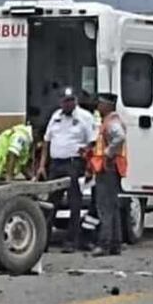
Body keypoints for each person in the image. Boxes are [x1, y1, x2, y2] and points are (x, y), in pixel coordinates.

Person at [36, 87, 96, 252]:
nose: (68, 104)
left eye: (71, 100)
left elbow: (92, 142)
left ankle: (71, 241)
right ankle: (43, 241)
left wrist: (89, 165)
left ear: (75, 101)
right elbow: (47, 141)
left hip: (74, 164)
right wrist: (42, 165)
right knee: (50, 204)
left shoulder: (85, 117)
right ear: (60, 102)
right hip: (56, 164)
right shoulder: (55, 116)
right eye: (65, 101)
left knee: (74, 204)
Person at [88, 93, 127, 257]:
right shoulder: (109, 121)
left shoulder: (112, 122)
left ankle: (104, 244)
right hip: (110, 169)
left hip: (108, 169)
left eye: (101, 103)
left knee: (105, 208)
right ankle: (115, 244)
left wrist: (107, 153)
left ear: (109, 106)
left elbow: (119, 137)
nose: (98, 106)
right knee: (113, 207)